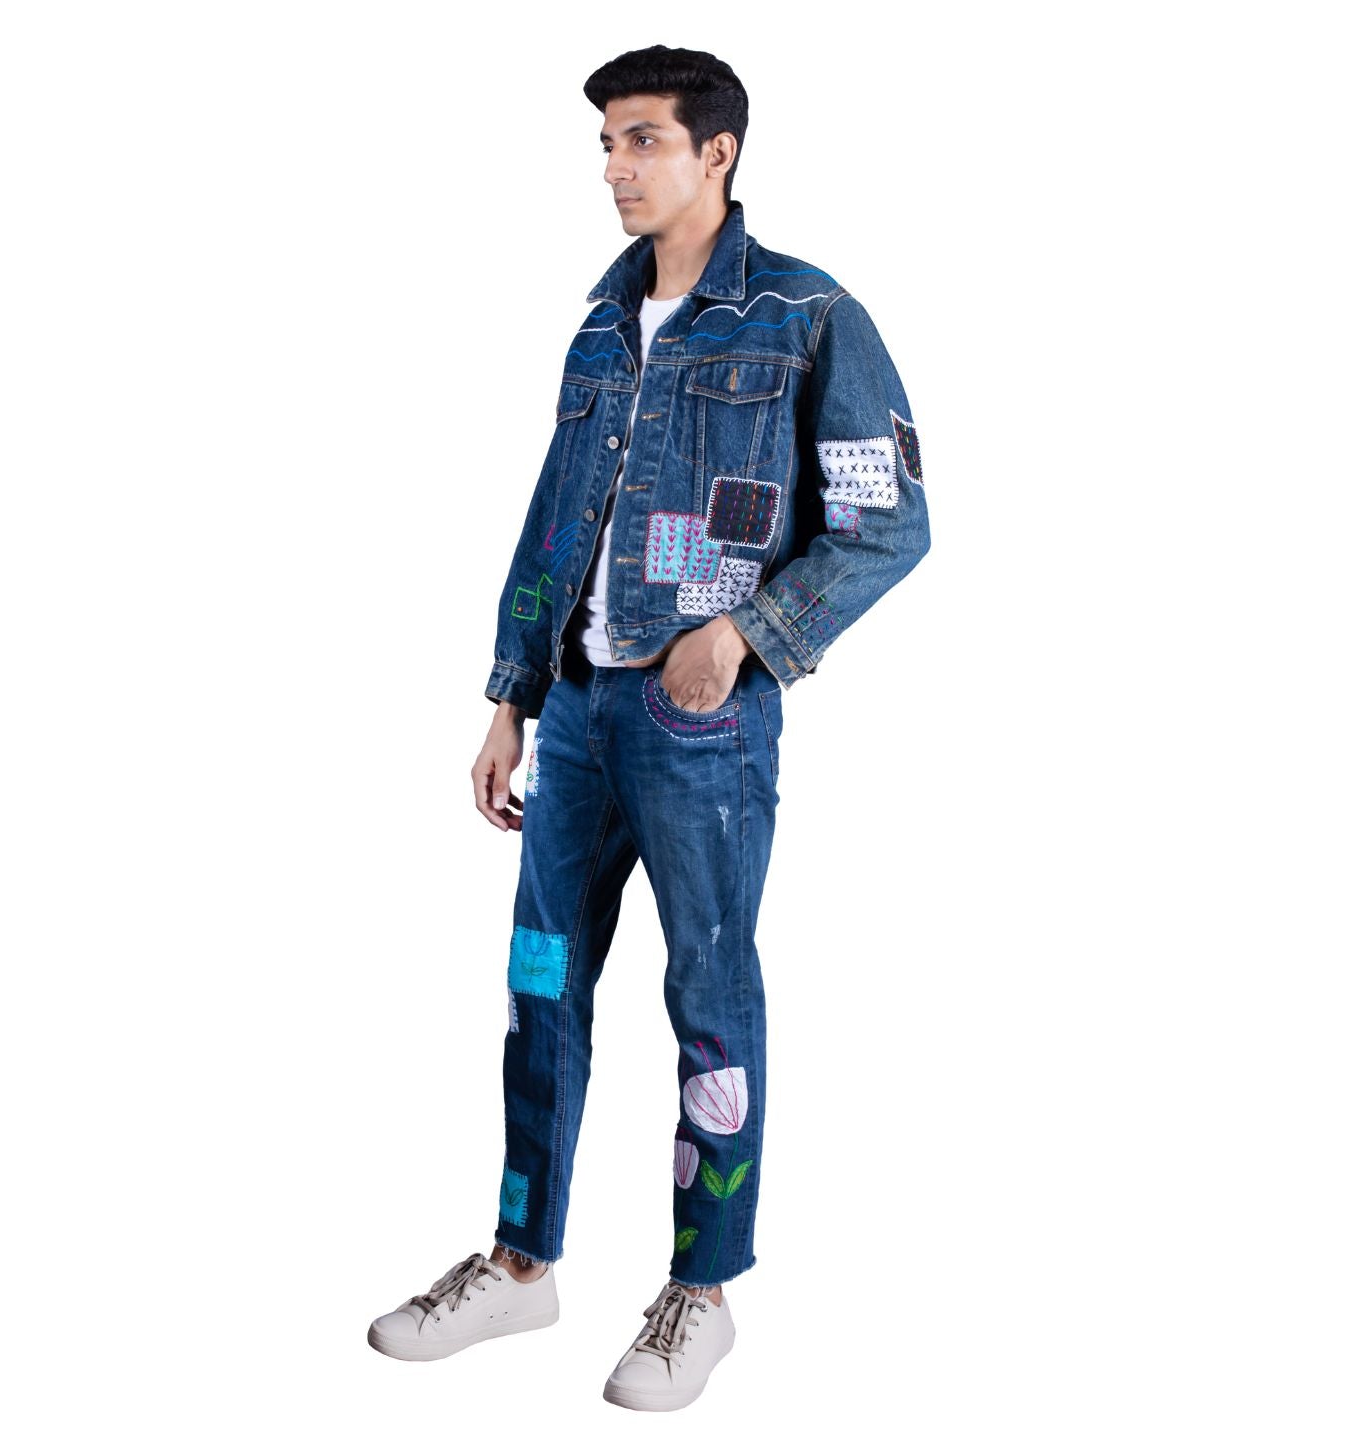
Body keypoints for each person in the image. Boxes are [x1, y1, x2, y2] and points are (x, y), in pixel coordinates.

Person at [366, 44, 931, 1410]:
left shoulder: (806, 316)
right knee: (541, 983)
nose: (616, 168)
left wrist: (744, 636)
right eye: (607, 145)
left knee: (709, 994)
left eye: (642, 140)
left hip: (702, 732)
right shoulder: (602, 325)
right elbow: (556, 515)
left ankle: (702, 1290)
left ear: (716, 152)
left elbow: (889, 520)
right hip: (576, 714)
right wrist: (511, 693)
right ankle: (521, 1263)